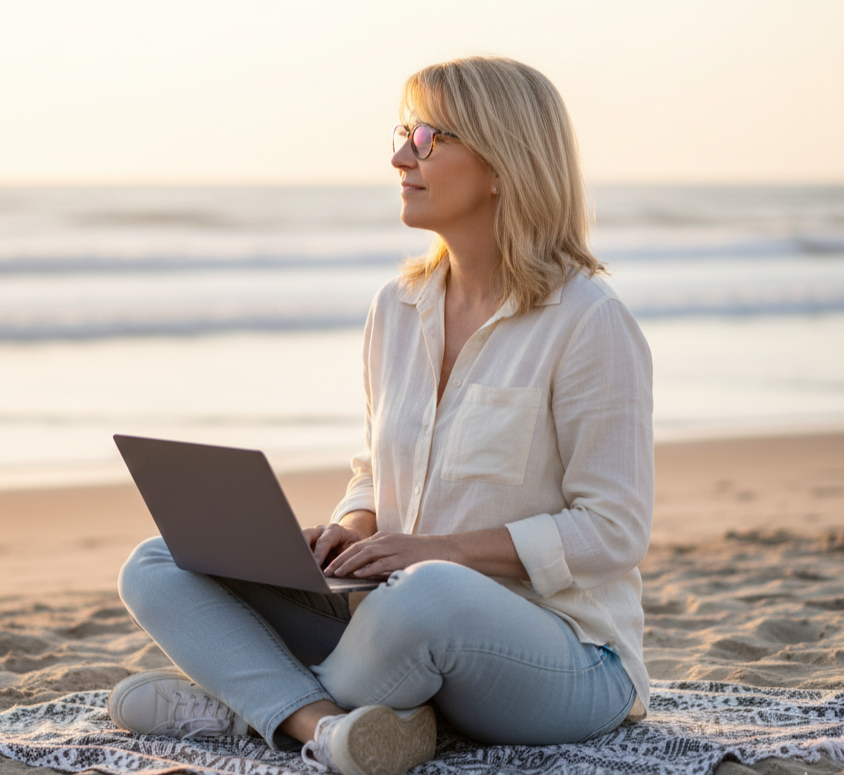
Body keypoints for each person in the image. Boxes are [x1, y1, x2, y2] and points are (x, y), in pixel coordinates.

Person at [110, 55, 653, 775]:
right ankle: (324, 723)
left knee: (431, 594)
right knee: (157, 559)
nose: (401, 156)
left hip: (567, 657)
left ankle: (247, 708)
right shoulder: (396, 308)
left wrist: (444, 550)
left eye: (429, 138)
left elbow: (613, 528)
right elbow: (374, 469)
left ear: (502, 164)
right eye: (402, 132)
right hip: (392, 617)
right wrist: (354, 528)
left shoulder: (589, 320)